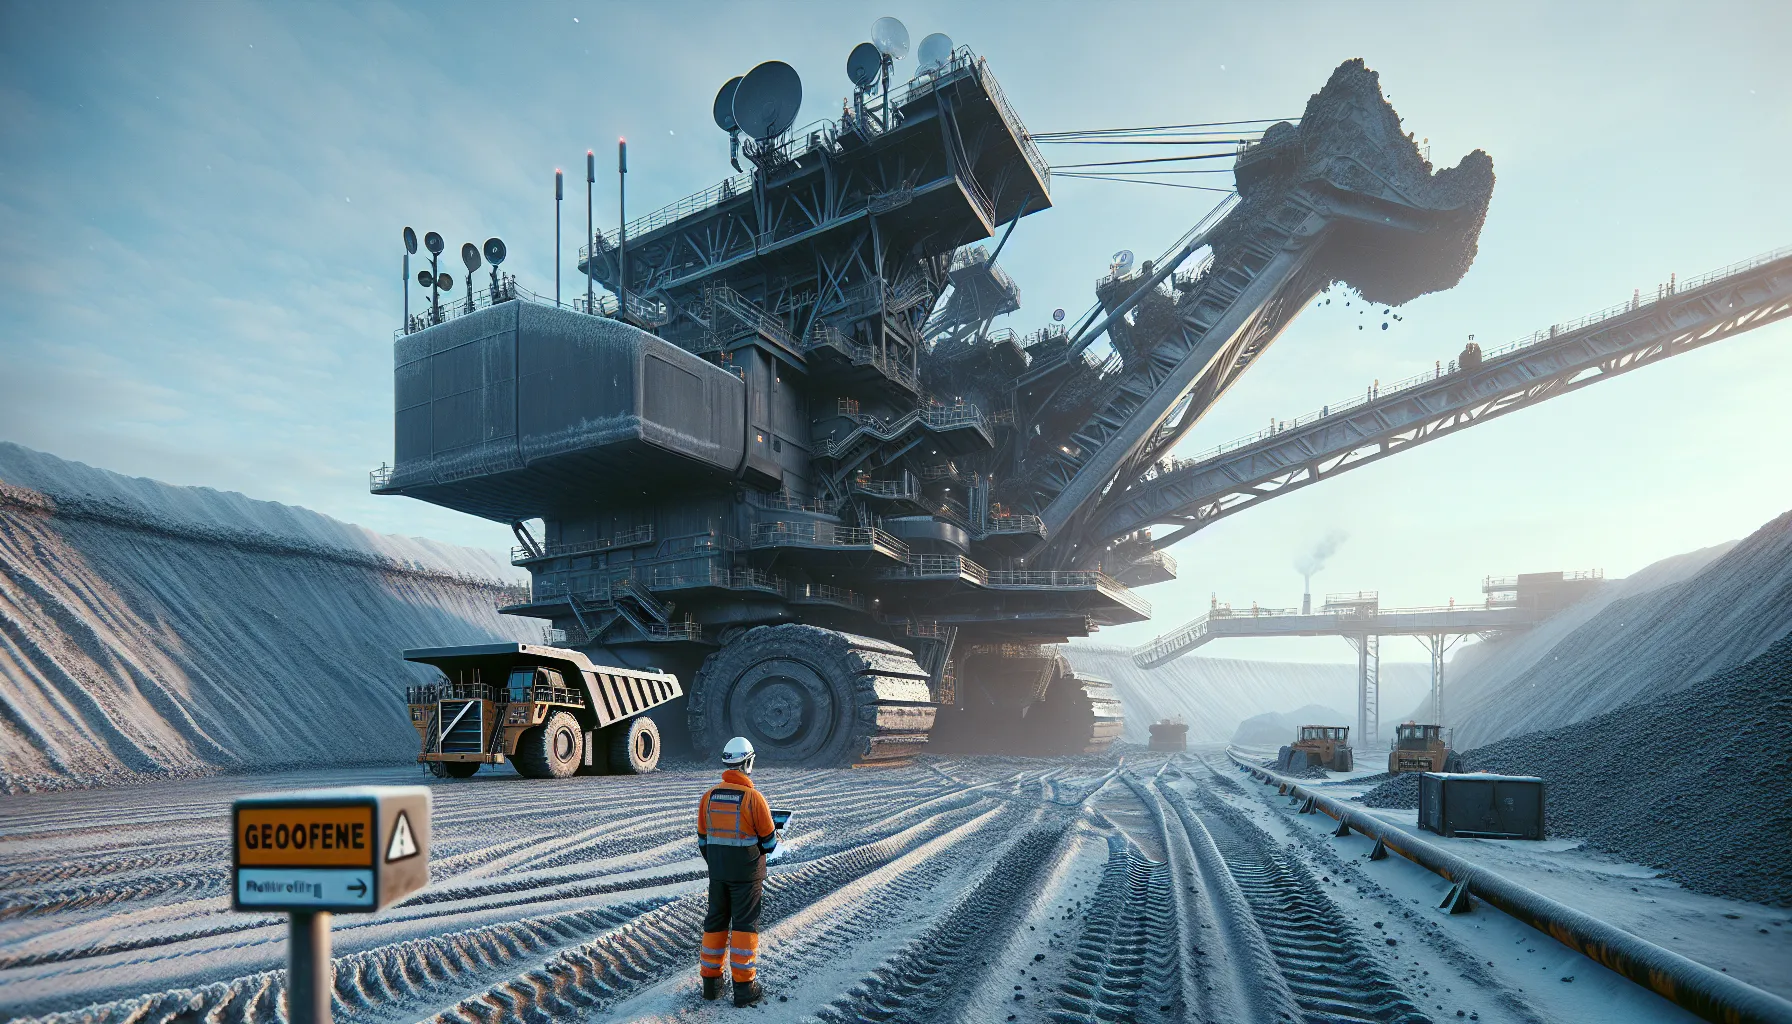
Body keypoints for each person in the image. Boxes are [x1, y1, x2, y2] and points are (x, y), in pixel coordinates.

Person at [696, 736, 779, 1006]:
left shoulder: (708, 797)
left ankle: (711, 984)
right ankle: (744, 988)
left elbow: (703, 841)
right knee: (744, 926)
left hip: (718, 874)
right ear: (748, 763)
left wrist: (718, 864)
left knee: (715, 922)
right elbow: (769, 843)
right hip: (746, 876)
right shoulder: (754, 798)